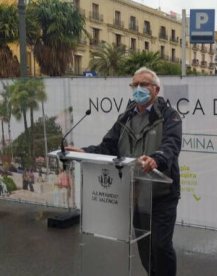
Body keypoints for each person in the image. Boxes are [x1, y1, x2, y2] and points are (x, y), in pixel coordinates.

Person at [66, 67, 182, 276]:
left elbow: (171, 146)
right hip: (136, 193)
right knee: (145, 248)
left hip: (162, 195)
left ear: (156, 89)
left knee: (161, 246)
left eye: (144, 84)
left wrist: (156, 159)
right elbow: (108, 146)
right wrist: (84, 151)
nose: (138, 88)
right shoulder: (125, 117)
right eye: (134, 85)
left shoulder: (169, 116)